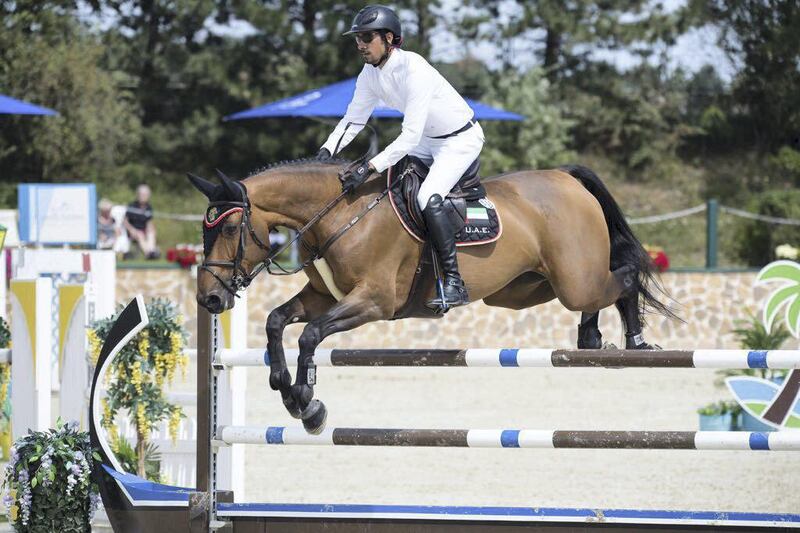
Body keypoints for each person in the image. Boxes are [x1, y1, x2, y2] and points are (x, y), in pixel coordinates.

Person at [317, 4, 484, 309]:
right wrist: (326, 151)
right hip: (426, 140)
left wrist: (369, 166)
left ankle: (454, 282)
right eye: (357, 39)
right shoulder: (369, 73)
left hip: (458, 140)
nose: (360, 45)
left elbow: (408, 136)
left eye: (366, 37)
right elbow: (354, 119)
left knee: (427, 196)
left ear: (389, 38)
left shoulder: (415, 69)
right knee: (387, 189)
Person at [124, 184, 159, 260]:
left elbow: (149, 222)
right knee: (140, 234)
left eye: (145, 195)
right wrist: (131, 230)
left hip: (143, 230)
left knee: (151, 233)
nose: (143, 196)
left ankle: (151, 251)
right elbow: (125, 222)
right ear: (138, 195)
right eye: (142, 194)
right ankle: (149, 253)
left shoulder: (149, 207)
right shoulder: (132, 206)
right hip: (133, 231)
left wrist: (151, 230)